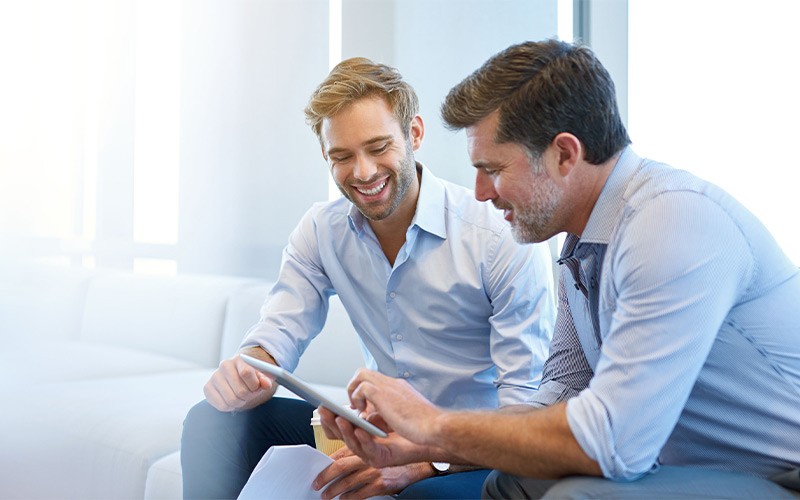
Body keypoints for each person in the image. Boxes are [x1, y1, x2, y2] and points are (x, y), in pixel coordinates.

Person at [320, 40, 800, 499]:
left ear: (565, 154)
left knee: (580, 495)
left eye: (493, 168)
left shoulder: (670, 222)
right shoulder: (583, 246)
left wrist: (433, 423)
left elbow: (610, 441)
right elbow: (558, 400)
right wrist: (421, 446)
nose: (482, 192)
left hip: (781, 476)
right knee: (513, 482)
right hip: (682, 471)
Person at [180, 57, 556, 499]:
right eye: (342, 156)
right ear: (326, 155)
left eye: (378, 148)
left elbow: (526, 413)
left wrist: (422, 458)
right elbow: (277, 333)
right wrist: (248, 372)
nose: (362, 172)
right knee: (212, 422)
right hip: (376, 432)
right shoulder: (322, 230)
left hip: (474, 450)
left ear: (414, 134)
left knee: (419, 496)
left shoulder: (497, 237)